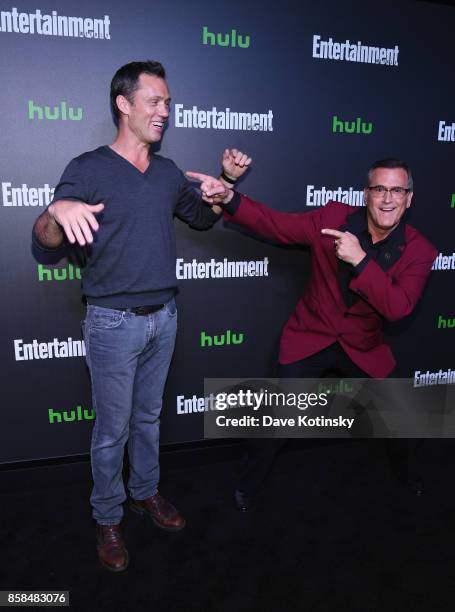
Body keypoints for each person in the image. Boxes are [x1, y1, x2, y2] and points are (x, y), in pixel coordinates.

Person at [32, 60, 250, 571]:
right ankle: (107, 516)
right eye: (154, 101)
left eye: (168, 102)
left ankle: (145, 492)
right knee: (112, 430)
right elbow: (45, 238)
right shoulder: (87, 168)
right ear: (123, 105)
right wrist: (54, 211)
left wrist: (223, 185)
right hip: (111, 321)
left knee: (149, 418)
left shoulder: (170, 172)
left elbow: (201, 216)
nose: (164, 111)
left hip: (165, 318)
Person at [188, 158, 438, 510]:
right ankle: (247, 485)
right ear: (366, 195)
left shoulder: (420, 251)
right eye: (380, 189)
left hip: (362, 345)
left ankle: (409, 476)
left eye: (397, 190)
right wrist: (230, 198)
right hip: (312, 334)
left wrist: (360, 261)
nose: (387, 199)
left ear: (408, 199)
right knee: (277, 421)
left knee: (405, 418)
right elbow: (276, 225)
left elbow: (398, 307)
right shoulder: (333, 218)